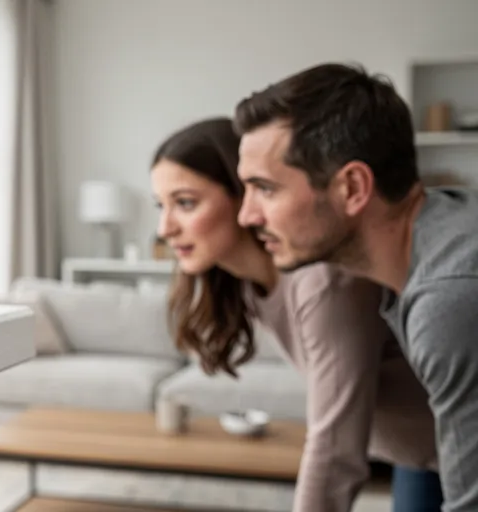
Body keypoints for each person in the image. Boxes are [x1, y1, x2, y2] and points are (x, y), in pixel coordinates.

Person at [149, 116, 440, 512]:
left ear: (244, 196)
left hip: (459, 446)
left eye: (185, 203)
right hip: (418, 457)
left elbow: (334, 451)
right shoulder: (248, 282)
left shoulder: (324, 281)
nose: (164, 228)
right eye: (161, 206)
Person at [232, 62, 478, 512]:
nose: (247, 216)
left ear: (352, 187)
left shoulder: (447, 298)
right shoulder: (436, 237)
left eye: (265, 189)